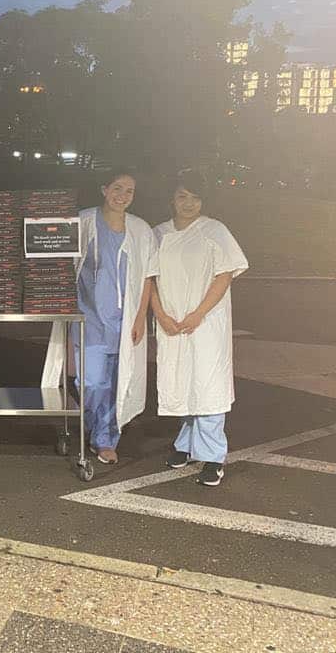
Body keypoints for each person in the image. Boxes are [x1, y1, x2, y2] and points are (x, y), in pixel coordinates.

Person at [43, 170, 158, 465]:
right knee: (93, 382)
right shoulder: (83, 221)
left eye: (129, 191)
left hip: (125, 320)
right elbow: (61, 263)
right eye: (117, 188)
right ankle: (97, 426)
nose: (122, 196)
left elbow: (148, 276)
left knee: (119, 381)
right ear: (104, 189)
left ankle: (105, 439)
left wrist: (140, 318)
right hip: (89, 318)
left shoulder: (141, 230)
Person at [150, 172, 248, 487]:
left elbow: (225, 274)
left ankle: (213, 456)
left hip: (206, 322)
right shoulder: (159, 234)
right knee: (181, 380)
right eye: (182, 196)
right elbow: (149, 279)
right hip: (171, 321)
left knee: (208, 384)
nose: (189, 203)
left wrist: (199, 313)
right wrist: (160, 314)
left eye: (195, 198)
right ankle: (186, 444)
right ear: (172, 199)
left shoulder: (214, 230)